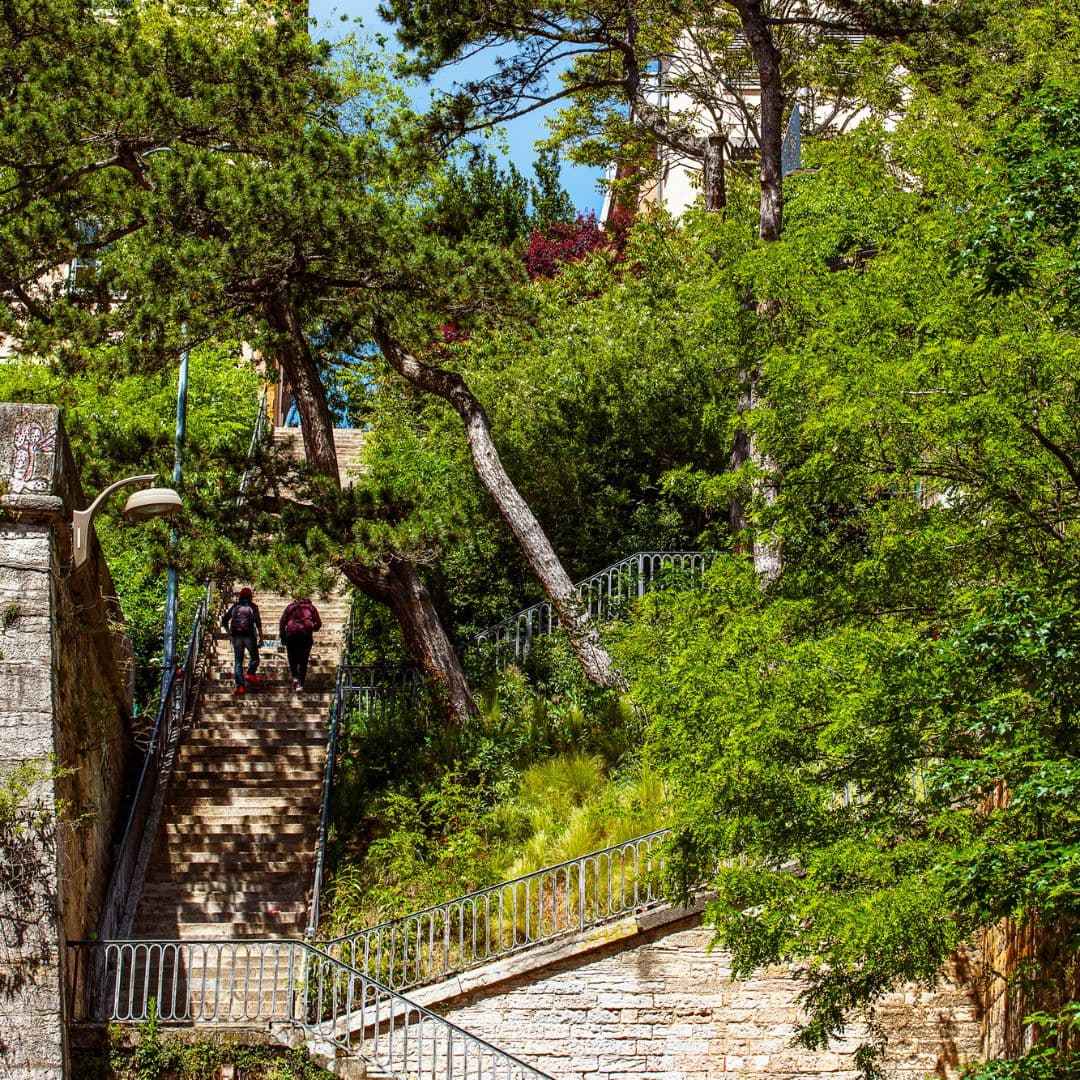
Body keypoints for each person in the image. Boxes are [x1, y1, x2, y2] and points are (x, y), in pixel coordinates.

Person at [222, 587, 263, 696]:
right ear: (250, 596)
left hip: (236, 637)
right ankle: (250, 674)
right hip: (249, 636)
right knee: (255, 658)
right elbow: (258, 623)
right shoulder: (253, 607)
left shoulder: (235, 606)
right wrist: (261, 637)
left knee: (238, 661)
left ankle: (240, 686)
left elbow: (224, 620)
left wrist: (229, 634)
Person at [279, 596, 322, 692]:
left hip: (291, 635)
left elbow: (282, 622)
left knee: (292, 657)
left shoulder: (290, 607)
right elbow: (318, 623)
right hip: (305, 636)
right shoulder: (311, 608)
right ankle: (300, 684)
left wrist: (282, 636)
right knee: (303, 660)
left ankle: (295, 677)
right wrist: (312, 627)